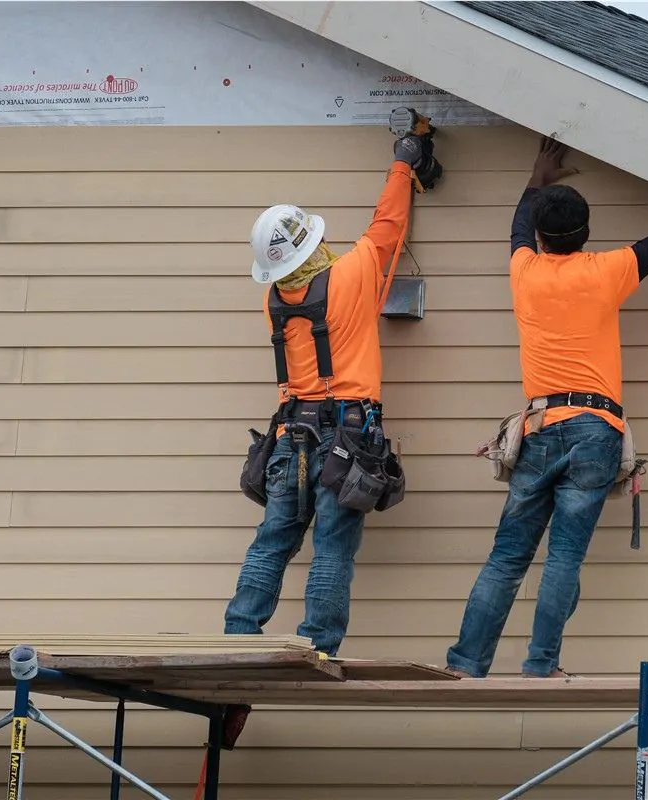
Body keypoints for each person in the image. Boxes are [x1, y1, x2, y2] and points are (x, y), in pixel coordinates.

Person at [446, 136, 648, 679]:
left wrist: (537, 176)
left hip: (538, 428)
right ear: (586, 234)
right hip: (594, 431)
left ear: (541, 237)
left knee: (507, 557)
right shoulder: (607, 271)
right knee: (563, 558)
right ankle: (541, 664)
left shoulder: (524, 271)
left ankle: (467, 664)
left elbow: (517, 227)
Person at [219, 131, 436, 745]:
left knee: (275, 540)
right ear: (312, 244)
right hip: (347, 434)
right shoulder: (351, 277)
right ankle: (317, 646)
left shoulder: (274, 301)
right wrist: (404, 162)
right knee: (334, 547)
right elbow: (386, 227)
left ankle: (239, 637)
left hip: (293, 434)